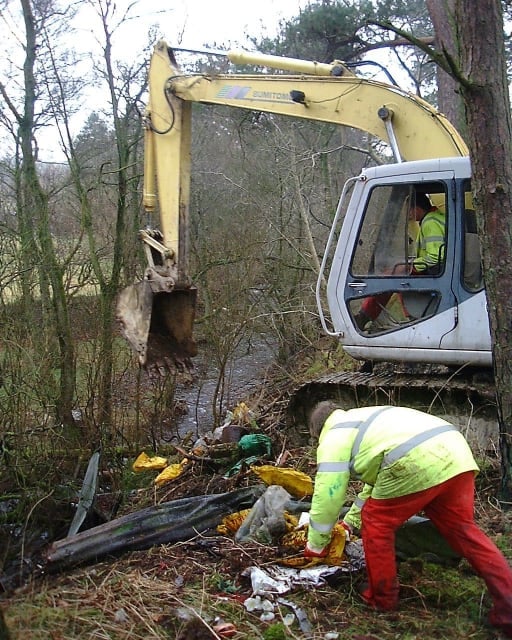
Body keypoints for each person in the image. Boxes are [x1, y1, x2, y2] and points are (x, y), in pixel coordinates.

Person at [304, 401, 512, 637]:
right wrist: (350, 523)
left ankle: (382, 599)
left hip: (416, 459)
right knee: (464, 531)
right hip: (456, 454)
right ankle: (508, 607)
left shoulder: (333, 436)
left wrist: (316, 545)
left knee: (376, 524)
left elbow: (328, 494)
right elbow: (373, 487)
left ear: (317, 432)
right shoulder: (361, 420)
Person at [355, 193, 446, 329]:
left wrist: (410, 265)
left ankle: (365, 316)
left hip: (437, 271)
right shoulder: (438, 217)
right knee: (397, 272)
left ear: (416, 209)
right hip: (441, 269)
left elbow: (436, 257)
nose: (408, 215)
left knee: (391, 278)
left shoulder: (430, 223)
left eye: (409, 210)